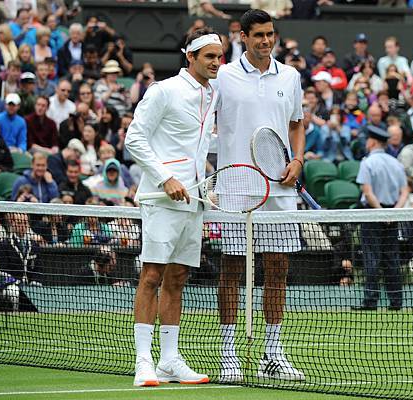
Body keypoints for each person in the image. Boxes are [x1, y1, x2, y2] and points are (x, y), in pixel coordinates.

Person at [124, 27, 222, 387]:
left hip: (194, 201)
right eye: (208, 56)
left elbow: (195, 148)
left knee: (178, 279)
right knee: (151, 276)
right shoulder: (163, 90)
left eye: (218, 56)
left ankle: (169, 359)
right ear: (190, 56)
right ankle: (144, 362)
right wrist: (165, 177)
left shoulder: (212, 94)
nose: (215, 62)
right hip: (160, 199)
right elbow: (134, 137)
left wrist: (205, 185)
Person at [214, 10, 305, 382]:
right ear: (243, 37)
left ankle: (272, 352)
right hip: (236, 185)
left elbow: (297, 124)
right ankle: (229, 353)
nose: (266, 41)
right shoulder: (223, 76)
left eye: (270, 35)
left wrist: (297, 160)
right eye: (259, 36)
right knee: (232, 268)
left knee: (278, 270)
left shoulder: (291, 76)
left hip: (279, 187)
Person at [355, 125, 408, 310]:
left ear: (373, 142)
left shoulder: (367, 162)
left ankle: (370, 302)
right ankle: (396, 302)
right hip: (391, 215)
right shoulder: (397, 163)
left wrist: (380, 212)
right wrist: (393, 212)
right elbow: (404, 192)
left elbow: (368, 193)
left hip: (372, 214)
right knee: (391, 259)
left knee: (372, 259)